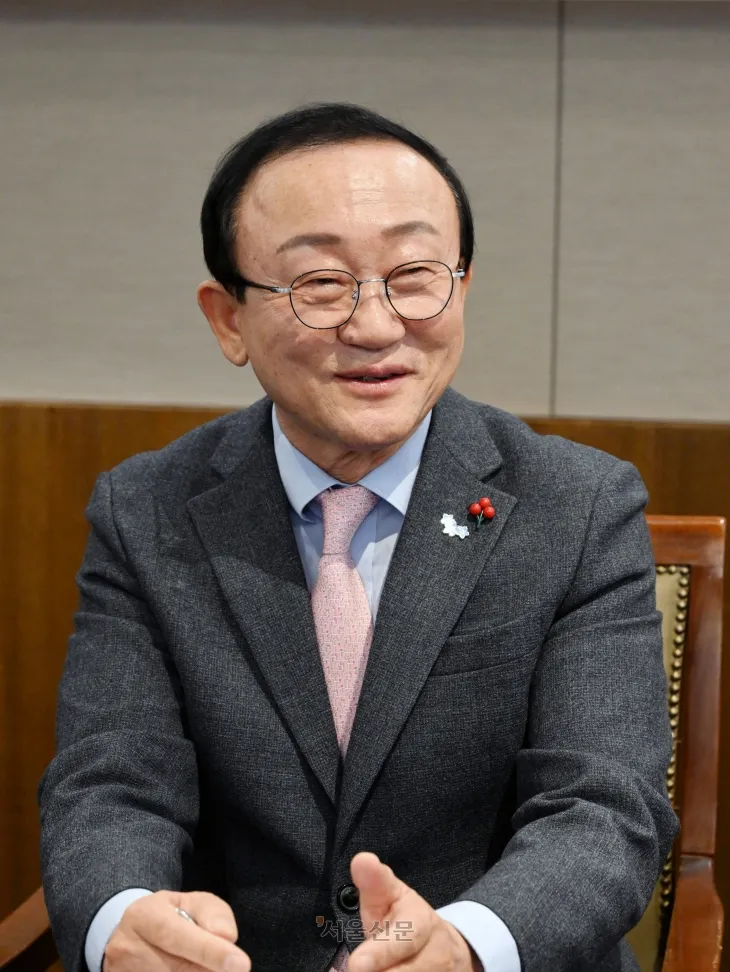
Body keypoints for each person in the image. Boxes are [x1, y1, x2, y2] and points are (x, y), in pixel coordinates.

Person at [38, 103, 678, 972]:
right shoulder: (146, 511)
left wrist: (469, 943)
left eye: (414, 275)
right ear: (228, 319)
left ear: (462, 286)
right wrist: (123, 915)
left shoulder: (577, 505)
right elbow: (112, 783)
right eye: (320, 284)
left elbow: (603, 807)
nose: (376, 327)